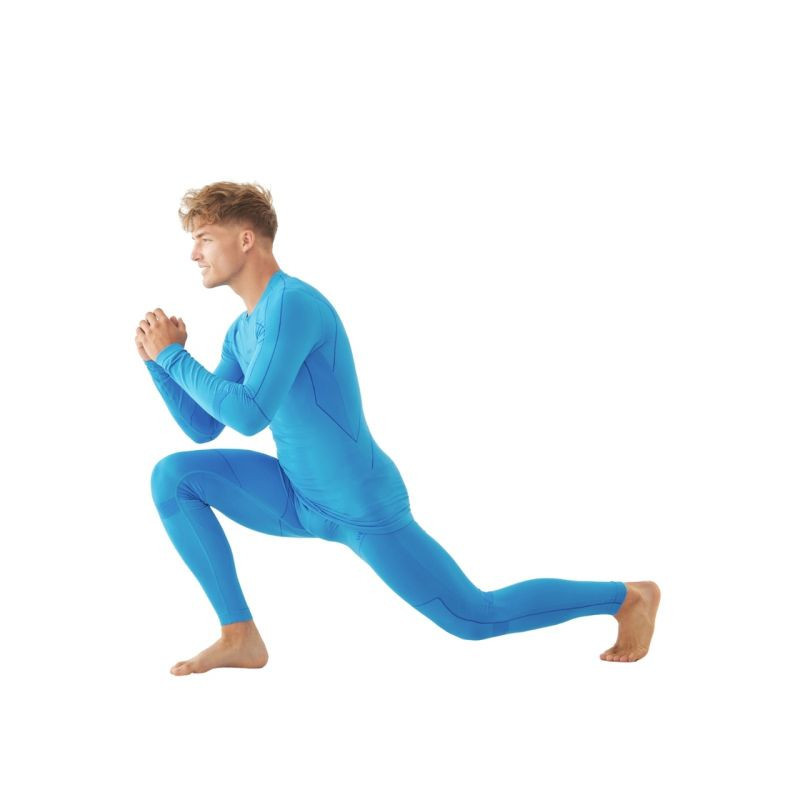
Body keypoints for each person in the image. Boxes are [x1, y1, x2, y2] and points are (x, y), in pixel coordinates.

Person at [136, 181, 660, 676]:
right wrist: (158, 363)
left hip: (360, 505)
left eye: (204, 238)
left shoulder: (293, 304)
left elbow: (250, 414)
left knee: (474, 618)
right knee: (174, 478)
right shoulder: (241, 331)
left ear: (246, 239)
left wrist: (174, 358)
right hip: (297, 497)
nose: (194, 253)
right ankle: (239, 635)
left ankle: (628, 597)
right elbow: (204, 426)